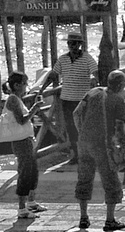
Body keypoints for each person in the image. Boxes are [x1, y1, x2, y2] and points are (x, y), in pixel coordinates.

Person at [74, 69, 125, 231]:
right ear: (121, 84)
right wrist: (123, 152)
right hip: (103, 146)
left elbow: (76, 113)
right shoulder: (120, 102)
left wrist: (82, 132)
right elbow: (119, 130)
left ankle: (83, 217)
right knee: (111, 181)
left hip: (84, 142)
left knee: (84, 179)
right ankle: (110, 220)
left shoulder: (93, 92)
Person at [39, 30, 98, 163]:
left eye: (75, 43)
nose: (73, 46)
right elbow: (53, 75)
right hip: (66, 100)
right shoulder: (62, 59)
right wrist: (41, 90)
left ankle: (86, 154)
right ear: (68, 44)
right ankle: (76, 154)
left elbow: (96, 72)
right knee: (71, 128)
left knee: (84, 127)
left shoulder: (88, 58)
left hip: (82, 100)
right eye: (70, 43)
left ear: (80, 45)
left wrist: (99, 85)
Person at [1, 71, 44, 219]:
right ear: (17, 85)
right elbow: (22, 120)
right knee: (25, 172)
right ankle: (21, 208)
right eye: (25, 83)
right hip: (20, 142)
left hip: (26, 140)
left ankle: (31, 201)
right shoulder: (13, 100)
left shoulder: (17, 99)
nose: (26, 86)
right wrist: (35, 108)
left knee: (33, 171)